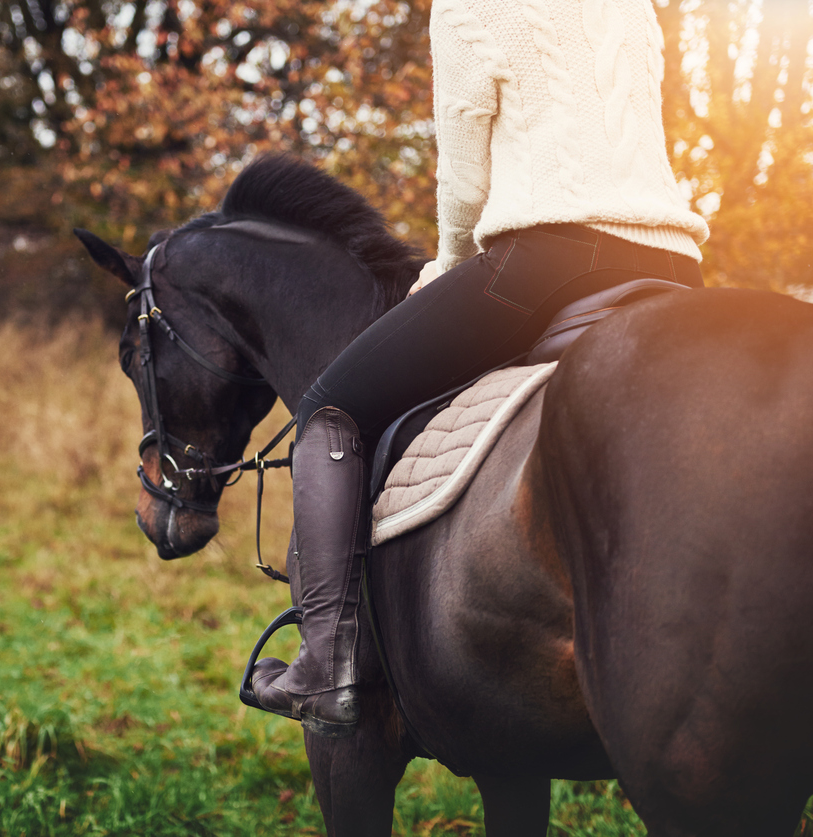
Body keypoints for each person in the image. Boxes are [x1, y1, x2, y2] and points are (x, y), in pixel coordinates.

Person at [249, 0, 710, 738]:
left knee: (329, 408)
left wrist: (445, 275)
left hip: (546, 262)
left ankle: (325, 663)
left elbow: (465, 184)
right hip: (674, 261)